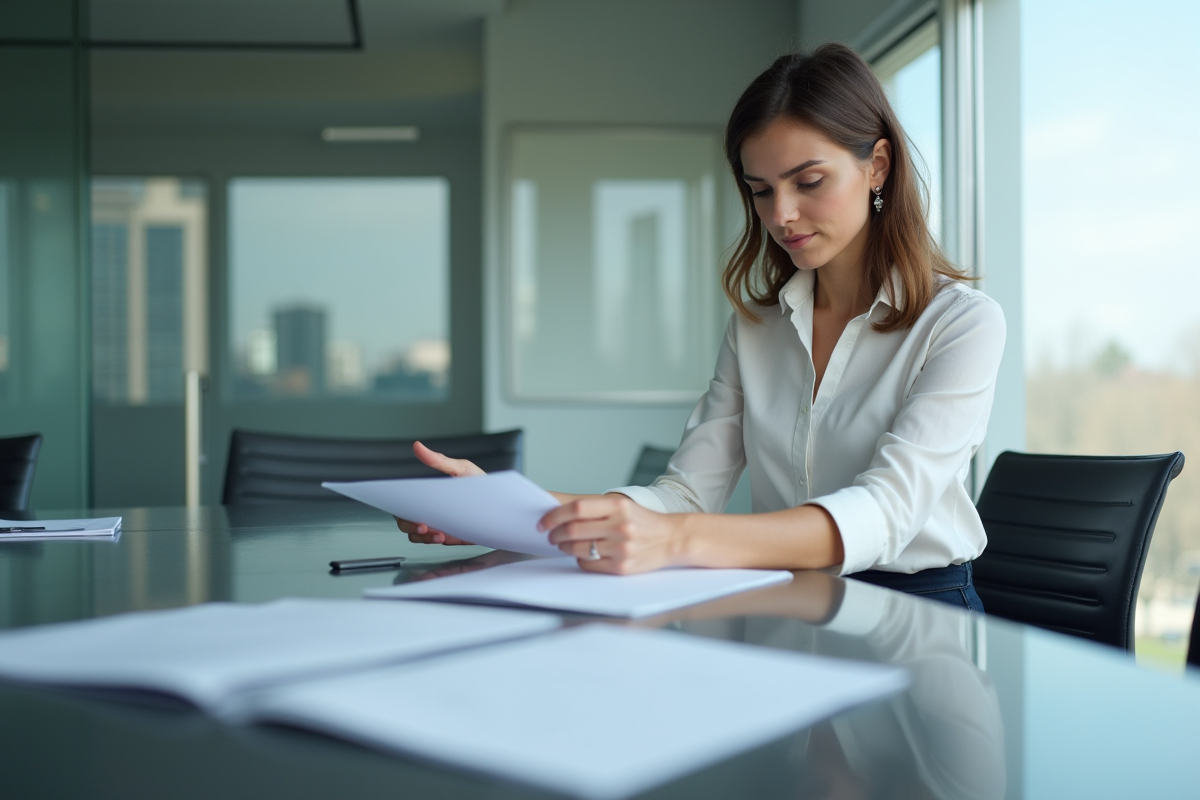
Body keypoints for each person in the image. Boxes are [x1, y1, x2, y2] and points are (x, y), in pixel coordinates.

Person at [398, 44, 1005, 610]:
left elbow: (886, 511)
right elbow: (685, 495)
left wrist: (678, 540)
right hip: (790, 598)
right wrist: (497, 507)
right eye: (761, 191)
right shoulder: (758, 328)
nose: (781, 215)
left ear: (876, 165)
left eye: (809, 182)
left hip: (920, 608)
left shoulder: (961, 325)